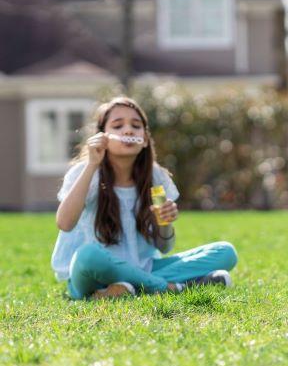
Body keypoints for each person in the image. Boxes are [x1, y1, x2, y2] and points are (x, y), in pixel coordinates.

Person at [52, 97, 237, 300]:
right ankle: (172, 287)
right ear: (102, 136)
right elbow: (65, 223)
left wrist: (165, 223)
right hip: (96, 272)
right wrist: (92, 164)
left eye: (136, 126)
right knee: (87, 255)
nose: (128, 131)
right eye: (118, 125)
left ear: (145, 139)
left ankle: (120, 290)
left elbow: (164, 247)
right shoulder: (85, 172)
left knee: (226, 252)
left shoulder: (156, 177)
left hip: (144, 266)